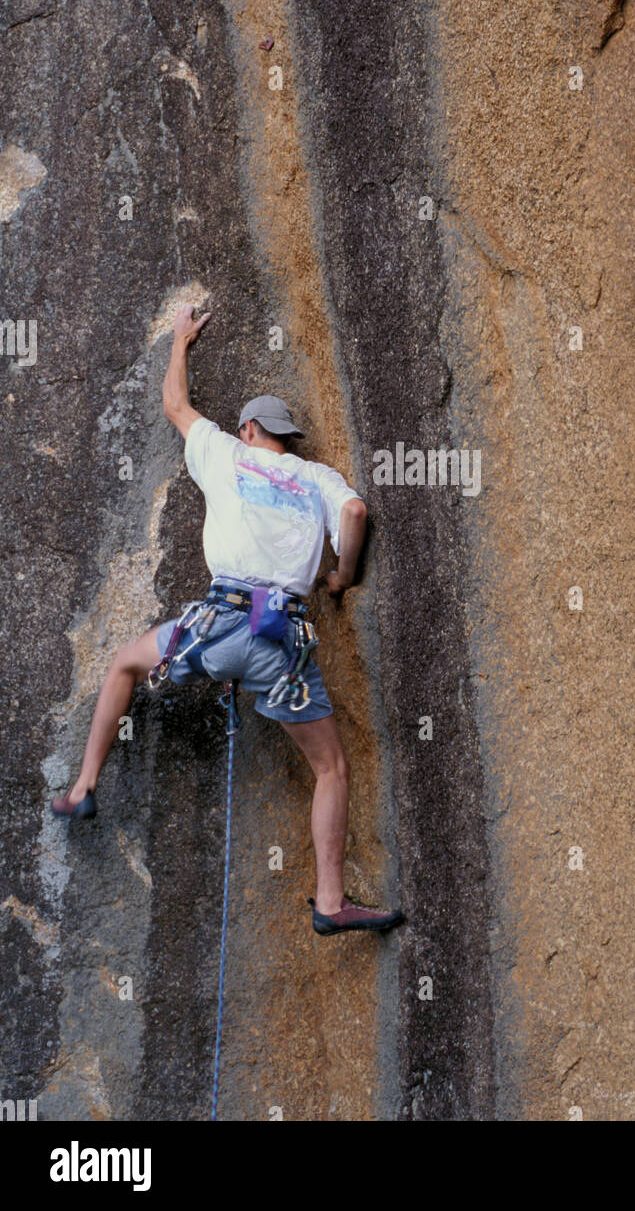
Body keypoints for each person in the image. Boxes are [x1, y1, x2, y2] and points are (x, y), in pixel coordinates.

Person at [52, 304, 404, 937]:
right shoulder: (314, 475)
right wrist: (341, 578)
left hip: (212, 631)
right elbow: (355, 515)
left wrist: (181, 341)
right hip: (278, 645)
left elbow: (176, 406)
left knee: (126, 662)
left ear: (246, 429)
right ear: (282, 437)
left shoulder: (224, 453)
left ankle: (82, 787)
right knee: (331, 770)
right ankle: (329, 902)